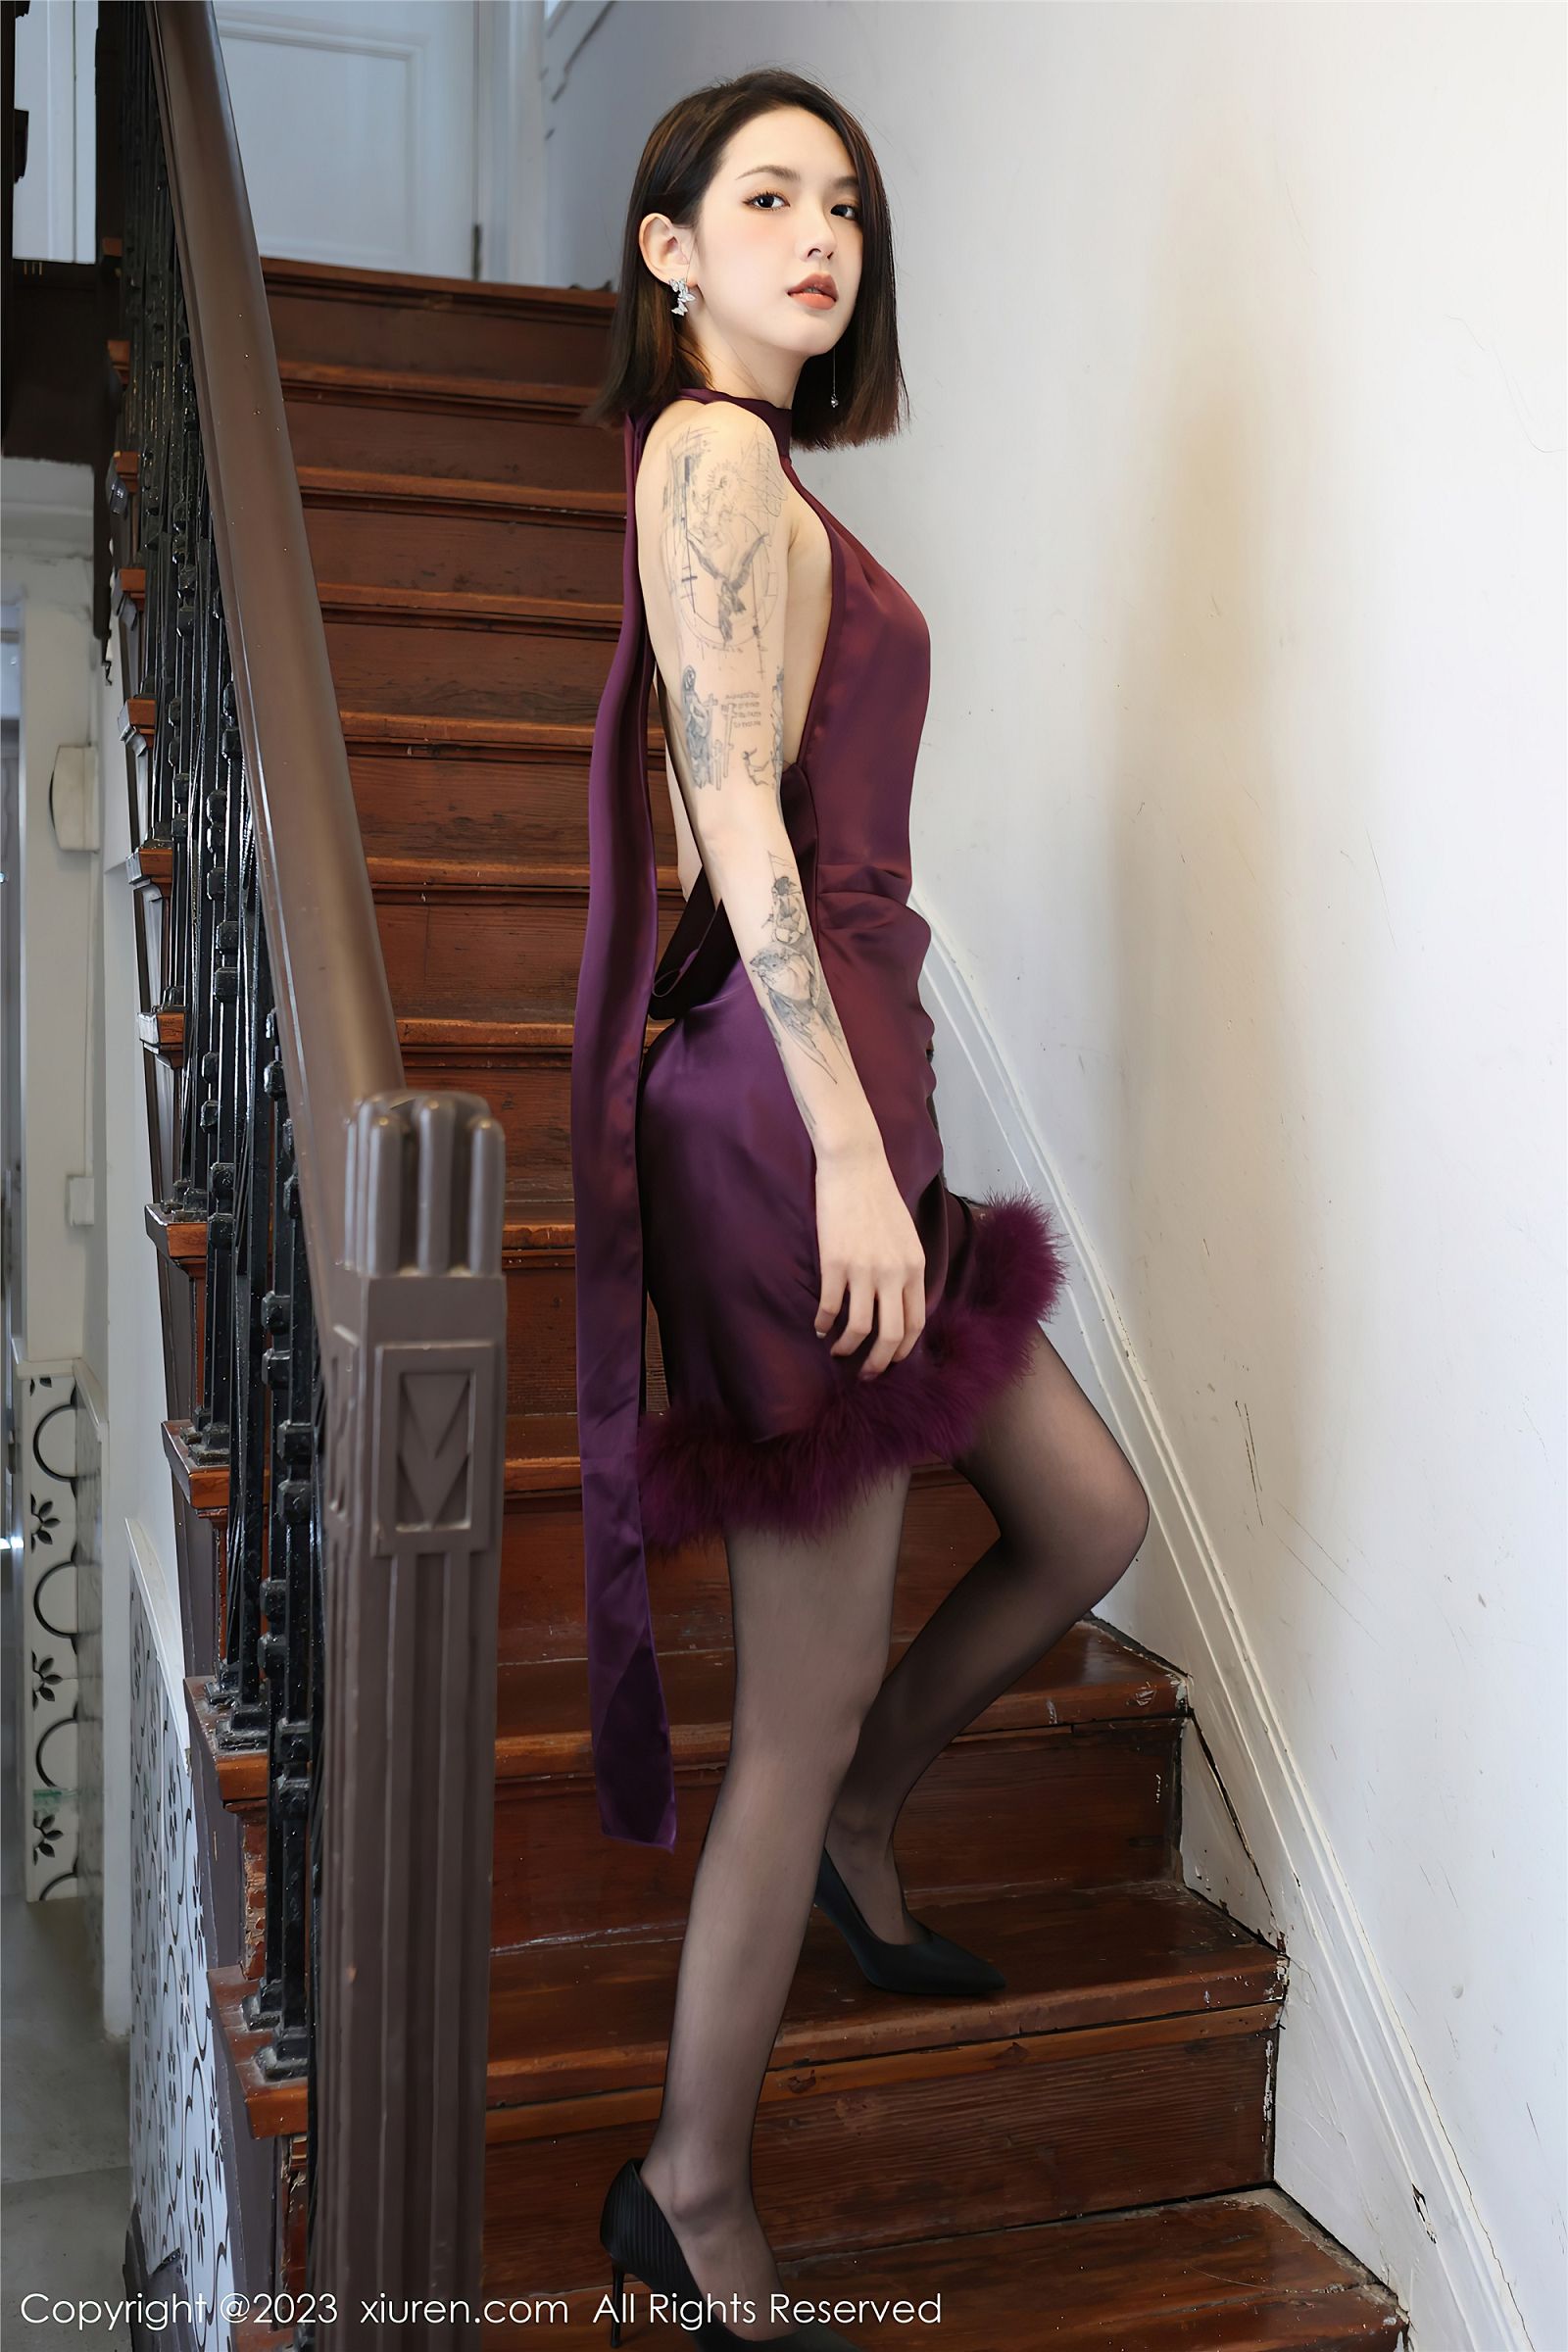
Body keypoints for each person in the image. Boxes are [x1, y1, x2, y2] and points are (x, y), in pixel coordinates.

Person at [572, 67, 1152, 2352]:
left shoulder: (764, 470)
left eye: (841, 201)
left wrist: (867, 1122)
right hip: (784, 1104)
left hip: (848, 1074)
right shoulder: (711, 455)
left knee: (1081, 1513)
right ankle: (688, 2192)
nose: (817, 233)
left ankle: (860, 1817)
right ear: (667, 250)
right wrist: (833, 1145)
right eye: (762, 196)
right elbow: (736, 819)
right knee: (793, 1704)